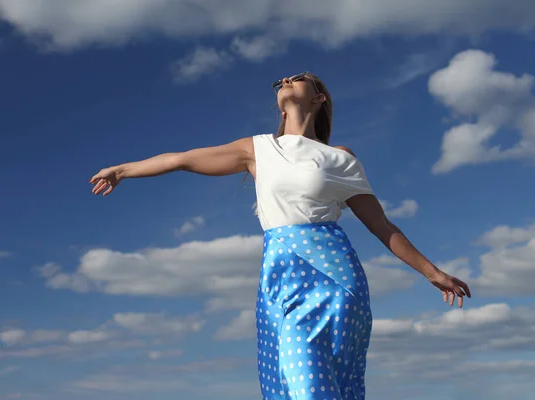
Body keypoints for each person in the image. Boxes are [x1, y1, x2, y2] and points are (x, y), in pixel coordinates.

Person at [89, 71, 471, 400]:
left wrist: (431, 272)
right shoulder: (258, 149)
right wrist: (121, 170)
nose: (286, 81)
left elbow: (382, 226)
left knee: (317, 384)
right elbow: (181, 159)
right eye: (281, 80)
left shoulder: (340, 157)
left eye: (298, 77)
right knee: (293, 380)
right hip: (279, 278)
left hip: (336, 277)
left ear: (319, 97)